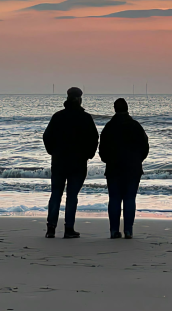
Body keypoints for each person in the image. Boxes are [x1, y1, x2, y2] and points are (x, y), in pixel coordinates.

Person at [43, 87, 99, 239]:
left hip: (59, 161)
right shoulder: (85, 118)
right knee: (72, 195)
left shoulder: (58, 117)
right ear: (79, 99)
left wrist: (52, 152)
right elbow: (94, 138)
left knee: (56, 194)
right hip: (78, 162)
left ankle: (51, 228)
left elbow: (47, 136)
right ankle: (69, 228)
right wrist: (89, 154)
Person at [99, 98, 149, 239]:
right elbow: (145, 146)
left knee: (114, 198)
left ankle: (114, 230)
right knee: (130, 198)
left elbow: (102, 149)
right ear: (127, 108)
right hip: (133, 167)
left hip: (113, 167)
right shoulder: (136, 126)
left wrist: (107, 160)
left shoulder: (109, 126)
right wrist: (138, 160)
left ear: (115, 109)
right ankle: (128, 230)